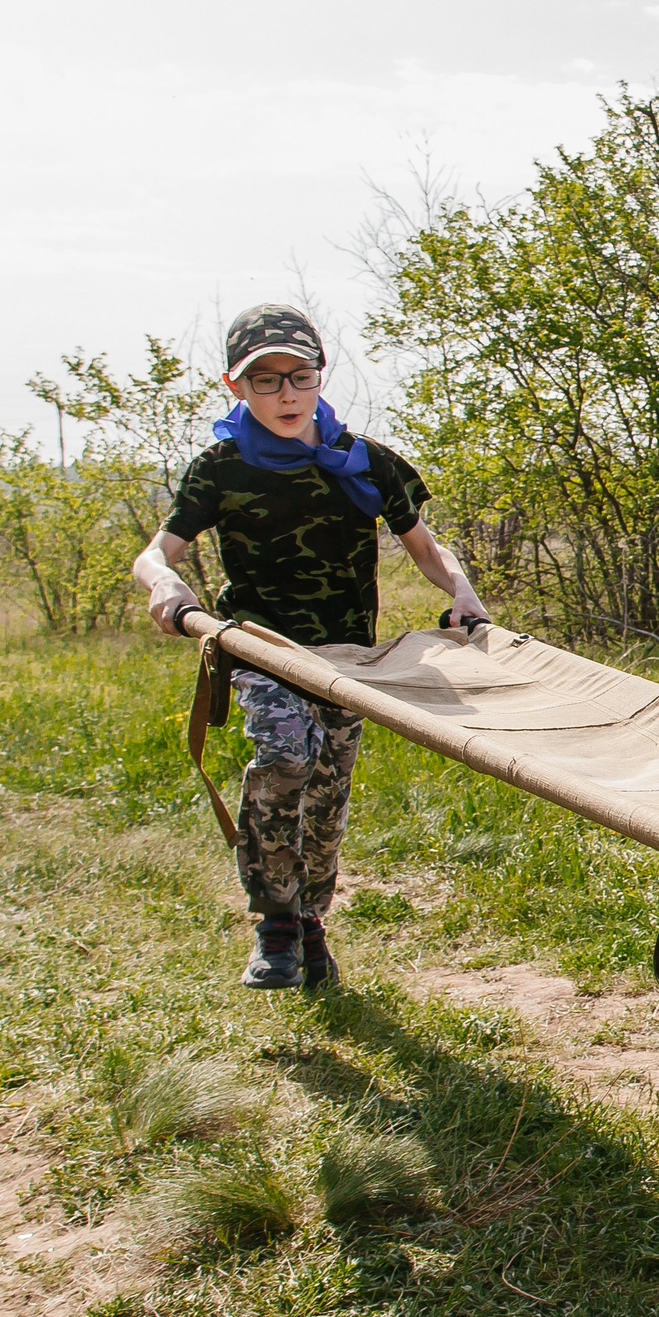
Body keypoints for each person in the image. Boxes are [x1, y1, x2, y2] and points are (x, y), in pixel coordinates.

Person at [132, 303, 487, 991]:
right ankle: (274, 919)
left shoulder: (365, 463)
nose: (286, 394)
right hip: (260, 646)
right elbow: (157, 553)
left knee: (327, 790)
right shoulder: (220, 469)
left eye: (300, 376)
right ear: (236, 387)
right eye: (265, 380)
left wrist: (462, 591)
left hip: (348, 659)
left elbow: (425, 547)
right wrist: (166, 585)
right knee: (286, 756)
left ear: (321, 376)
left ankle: (311, 921)